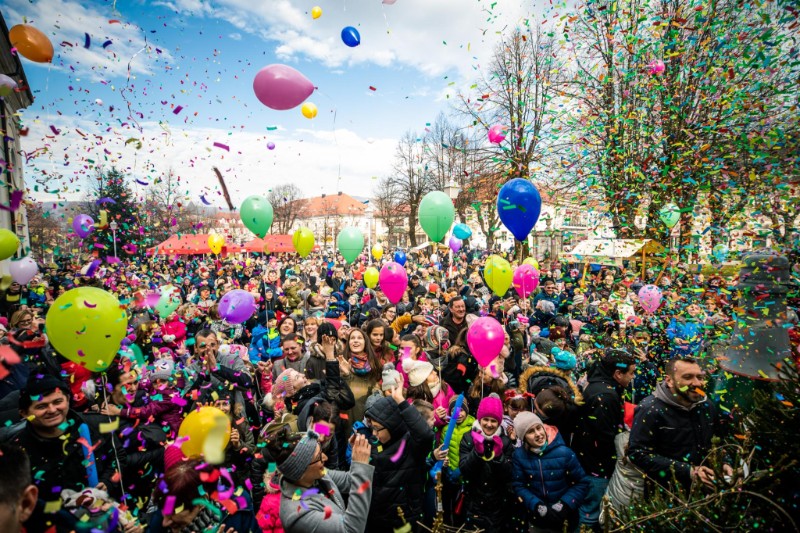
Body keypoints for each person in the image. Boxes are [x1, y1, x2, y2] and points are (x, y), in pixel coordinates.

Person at [628, 357, 730, 492]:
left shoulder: (707, 405)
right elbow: (638, 453)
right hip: (667, 496)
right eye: (688, 377)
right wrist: (688, 471)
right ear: (669, 381)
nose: (697, 383)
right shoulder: (650, 409)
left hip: (706, 491)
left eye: (700, 377)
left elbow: (718, 441)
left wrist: (725, 462)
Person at [570, 348, 637, 529]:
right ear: (617, 373)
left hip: (588, 461)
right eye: (630, 373)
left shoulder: (599, 384)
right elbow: (604, 436)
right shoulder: (606, 396)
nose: (632, 377)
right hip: (595, 467)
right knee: (589, 515)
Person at [269, 427, 374, 533]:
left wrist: (356, 453)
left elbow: (349, 481)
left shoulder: (317, 475)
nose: (325, 458)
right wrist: (361, 466)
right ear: (301, 471)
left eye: (321, 451)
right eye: (318, 456)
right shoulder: (298, 514)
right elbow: (351, 530)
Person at [364, 383, 435, 531]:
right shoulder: (373, 442)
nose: (374, 434)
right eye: (372, 428)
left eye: (378, 429)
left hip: (405, 521)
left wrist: (402, 403)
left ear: (392, 425)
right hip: (379, 520)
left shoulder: (411, 446)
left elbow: (426, 435)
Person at [512, 411, 590, 533]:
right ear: (524, 437)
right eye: (531, 432)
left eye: (539, 428)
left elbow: (582, 482)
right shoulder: (519, 456)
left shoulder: (564, 453)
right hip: (538, 521)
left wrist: (564, 504)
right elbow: (519, 486)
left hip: (565, 518)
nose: (538, 434)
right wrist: (536, 505)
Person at [458, 393, 516, 532]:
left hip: (497, 504)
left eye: (493, 421)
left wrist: (498, 457)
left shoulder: (505, 442)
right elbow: (464, 469)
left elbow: (509, 474)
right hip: (473, 502)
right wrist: (476, 453)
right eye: (485, 419)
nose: (489, 424)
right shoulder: (468, 438)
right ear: (480, 419)